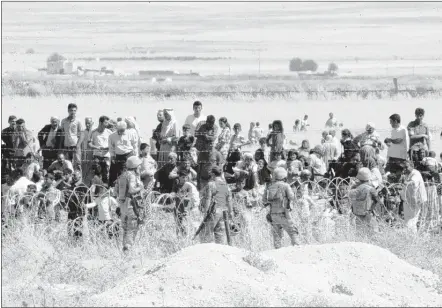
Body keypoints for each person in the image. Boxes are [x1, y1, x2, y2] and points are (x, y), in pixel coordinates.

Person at [263, 167, 300, 249]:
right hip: (284, 214)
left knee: (276, 234)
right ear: (284, 176)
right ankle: (297, 248)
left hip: (272, 214)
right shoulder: (286, 185)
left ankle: (277, 251)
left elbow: (264, 200)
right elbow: (291, 197)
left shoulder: (269, 186)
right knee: (293, 231)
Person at [198, 166, 233, 244]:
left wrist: (205, 213)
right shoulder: (226, 185)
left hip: (214, 211)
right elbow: (229, 200)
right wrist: (231, 212)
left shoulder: (211, 184)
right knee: (219, 235)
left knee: (205, 234)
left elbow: (208, 199)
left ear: (213, 174)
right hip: (224, 212)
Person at [116, 156, 145, 251]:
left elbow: (116, 190)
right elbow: (132, 189)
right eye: (139, 166)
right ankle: (128, 249)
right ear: (135, 166)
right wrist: (140, 187)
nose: (140, 168)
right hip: (131, 205)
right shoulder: (132, 176)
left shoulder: (122, 175)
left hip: (122, 205)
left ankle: (125, 248)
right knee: (132, 228)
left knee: (125, 229)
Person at [348, 168, 381, 233]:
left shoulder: (355, 188)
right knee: (372, 231)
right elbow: (379, 200)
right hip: (368, 213)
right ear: (368, 179)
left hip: (357, 213)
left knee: (359, 231)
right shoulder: (371, 189)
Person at [400, 161, 427, 234]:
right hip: (408, 199)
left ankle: (412, 237)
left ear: (412, 166)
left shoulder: (416, 173)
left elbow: (413, 181)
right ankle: (411, 236)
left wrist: (407, 182)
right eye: (404, 167)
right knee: (407, 219)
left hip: (416, 200)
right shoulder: (406, 174)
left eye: (406, 167)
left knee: (412, 220)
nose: (405, 169)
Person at [108, 121, 138, 187]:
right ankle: (115, 189)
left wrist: (135, 156)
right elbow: (111, 147)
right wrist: (112, 156)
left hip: (129, 155)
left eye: (122, 130)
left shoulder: (130, 134)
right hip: (118, 156)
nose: (121, 132)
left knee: (129, 174)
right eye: (119, 130)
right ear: (117, 129)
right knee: (115, 174)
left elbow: (135, 145)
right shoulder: (112, 136)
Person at [171, 171, 200, 236]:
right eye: (183, 177)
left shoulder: (188, 186)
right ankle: (178, 237)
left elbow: (189, 198)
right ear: (179, 177)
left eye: (186, 177)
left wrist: (180, 197)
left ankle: (186, 236)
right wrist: (172, 195)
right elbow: (172, 193)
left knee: (185, 223)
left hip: (185, 208)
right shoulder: (176, 184)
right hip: (177, 207)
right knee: (177, 223)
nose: (185, 179)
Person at [89, 116, 112, 185]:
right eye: (105, 123)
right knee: (96, 173)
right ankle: (97, 189)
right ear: (100, 122)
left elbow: (113, 144)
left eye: (108, 123)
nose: (107, 124)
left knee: (106, 173)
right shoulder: (94, 132)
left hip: (106, 156)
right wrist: (97, 147)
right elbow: (89, 144)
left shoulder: (109, 132)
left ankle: (104, 190)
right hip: (96, 155)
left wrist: (107, 148)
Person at [60, 103, 83, 170]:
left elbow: (82, 134)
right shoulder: (63, 121)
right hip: (66, 146)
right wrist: (61, 146)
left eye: (74, 110)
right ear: (68, 111)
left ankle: (79, 180)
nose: (73, 112)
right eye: (71, 110)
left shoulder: (78, 121)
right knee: (67, 165)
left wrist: (78, 145)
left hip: (75, 146)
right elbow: (62, 134)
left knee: (77, 164)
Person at [2, 116, 17, 182]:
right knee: (6, 166)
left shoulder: (18, 130)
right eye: (12, 121)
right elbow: (6, 141)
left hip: (17, 151)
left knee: (16, 167)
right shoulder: (4, 131)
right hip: (8, 151)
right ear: (9, 122)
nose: (14, 123)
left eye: (15, 121)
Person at [80, 117, 95, 186]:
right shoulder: (83, 132)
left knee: (91, 171)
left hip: (92, 154)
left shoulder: (94, 131)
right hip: (84, 154)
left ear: (92, 123)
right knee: (84, 171)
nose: (87, 125)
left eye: (89, 123)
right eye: (86, 123)